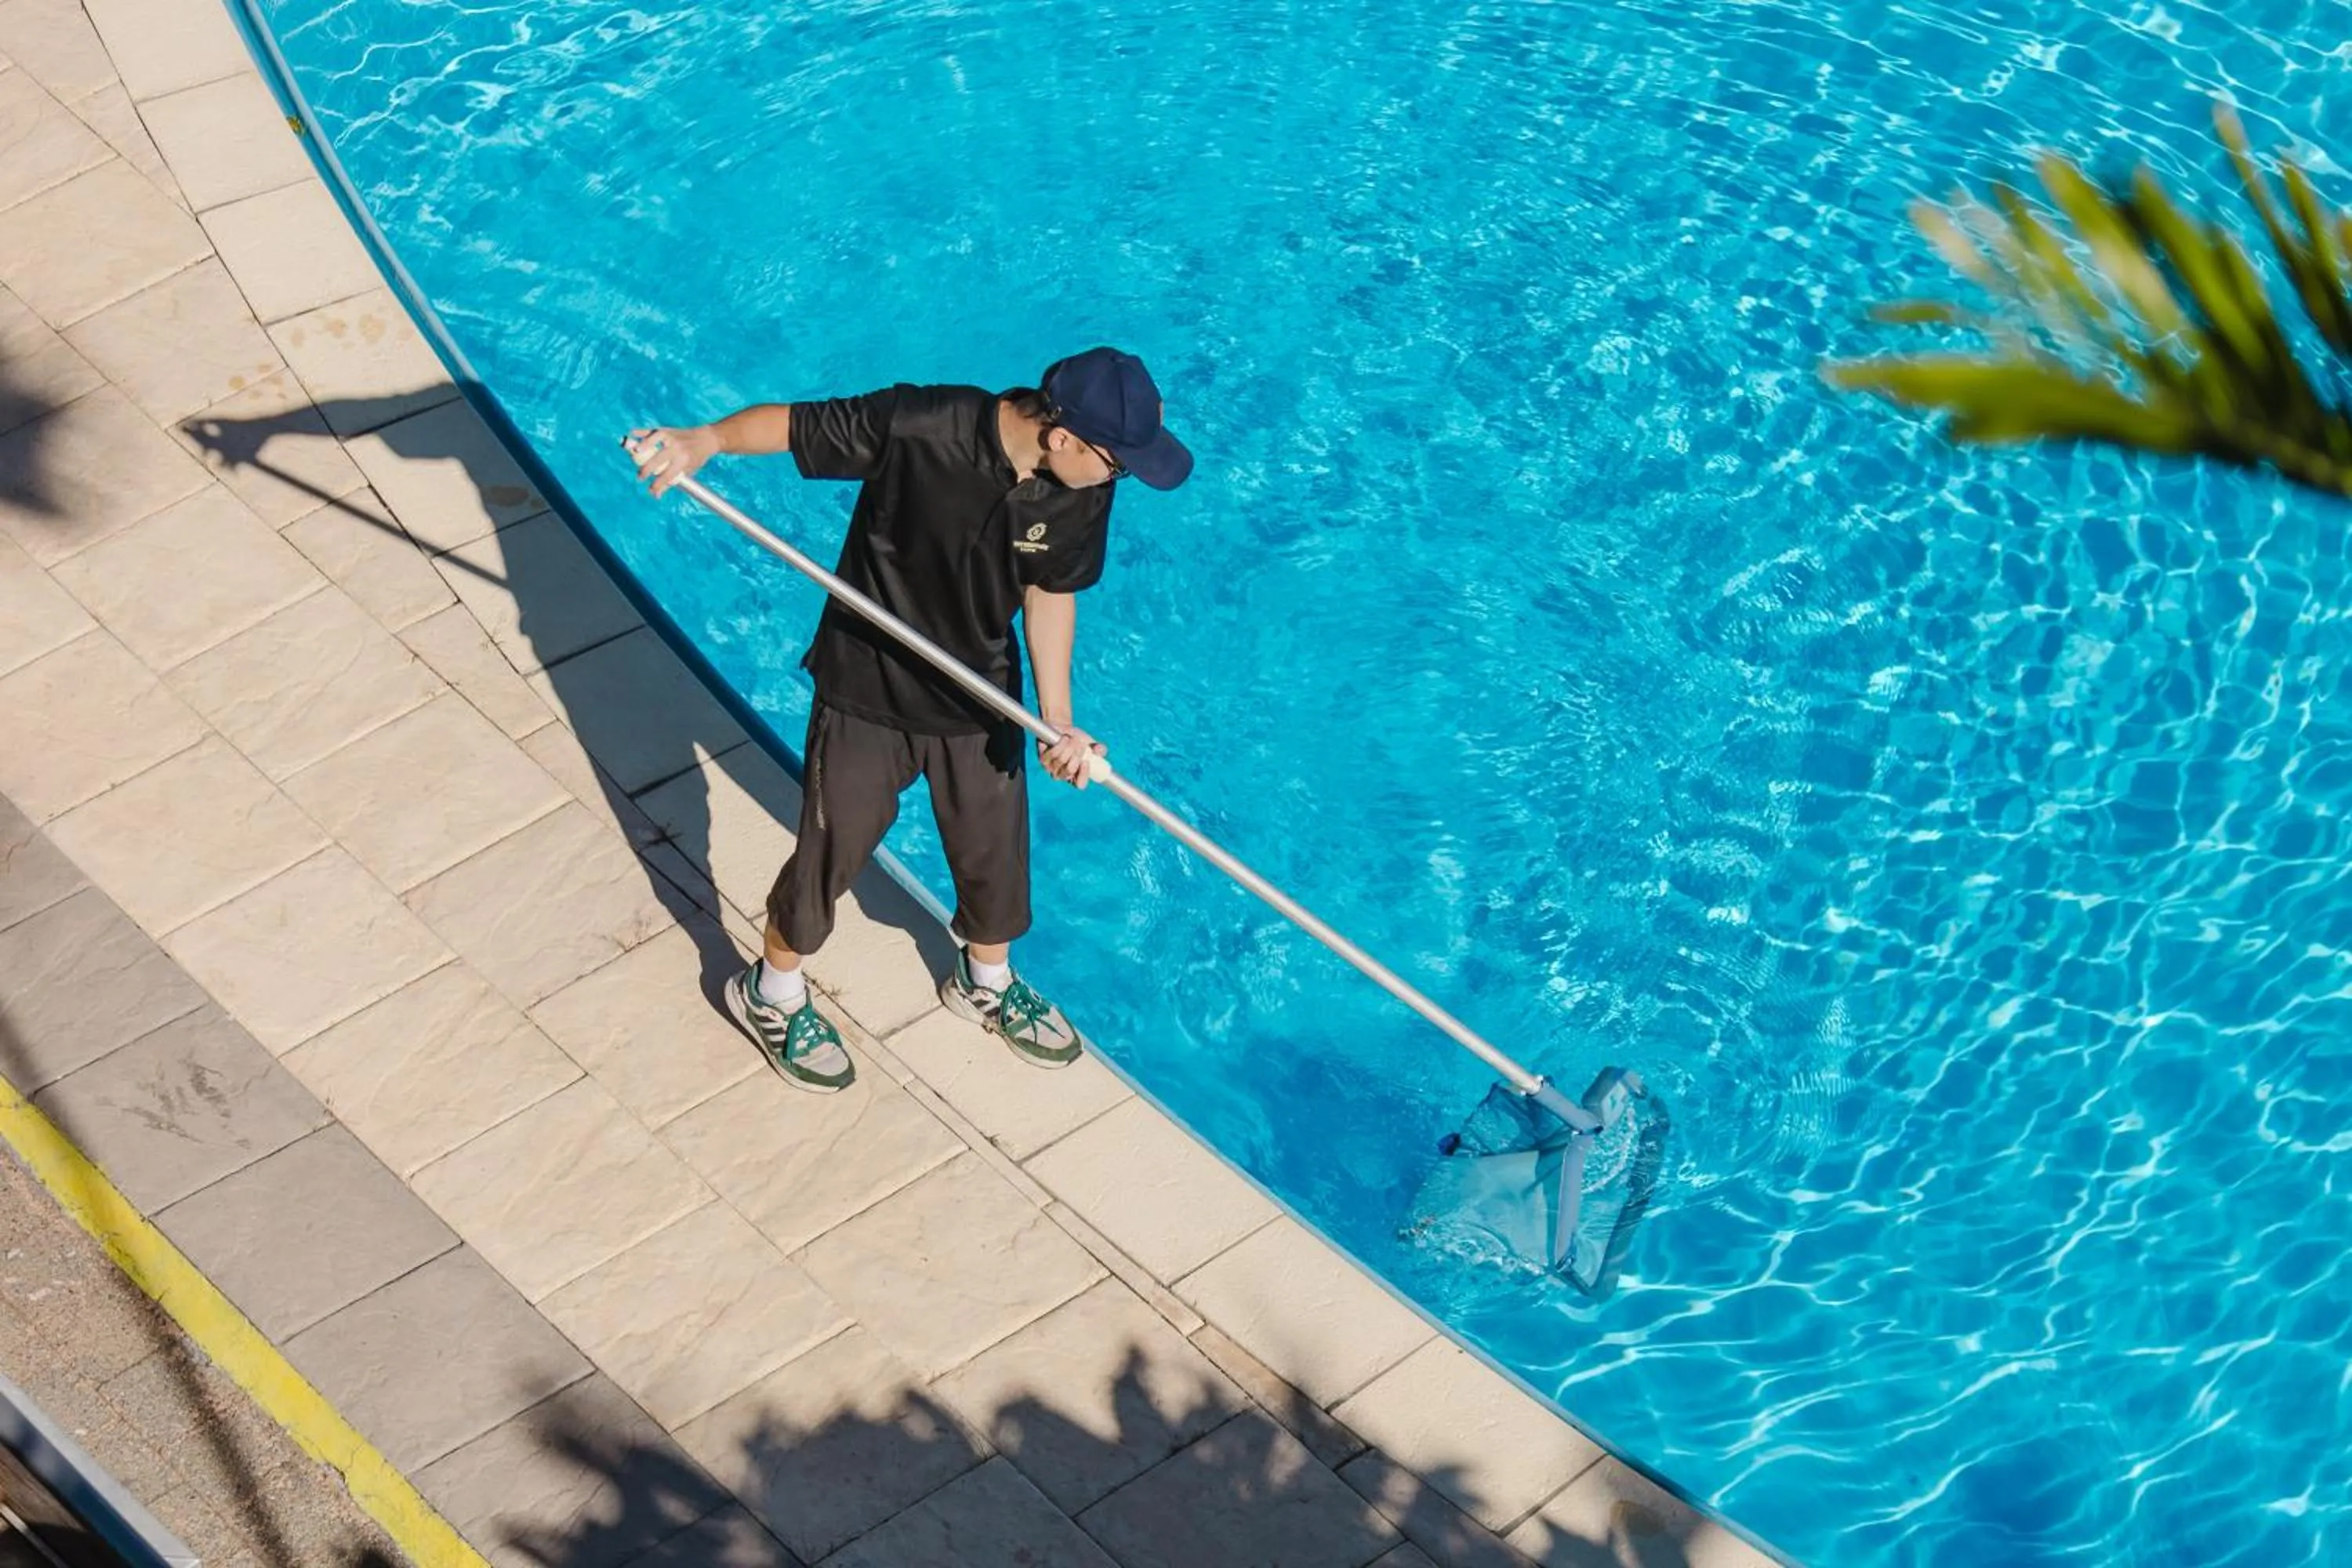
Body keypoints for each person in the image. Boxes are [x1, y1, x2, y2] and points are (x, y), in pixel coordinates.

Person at [632, 347, 1193, 1091]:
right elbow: (799, 426)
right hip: (869, 685)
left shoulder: (1081, 486)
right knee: (831, 851)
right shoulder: (926, 423)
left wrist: (1056, 721)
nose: (1121, 477)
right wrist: (708, 440)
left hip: (977, 692)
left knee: (994, 853)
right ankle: (770, 993)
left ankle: (983, 982)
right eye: (1119, 463)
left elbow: (1051, 589)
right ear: (1063, 435)